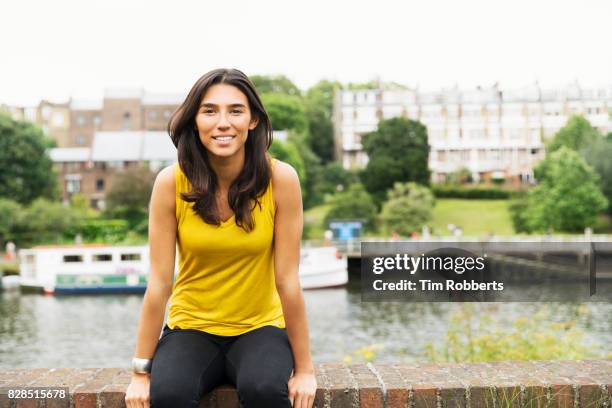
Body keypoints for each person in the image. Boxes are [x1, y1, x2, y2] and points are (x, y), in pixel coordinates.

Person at [125, 68, 316, 408]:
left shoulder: (281, 179)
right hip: (191, 328)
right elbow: (157, 283)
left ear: (253, 120)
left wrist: (305, 370)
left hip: (260, 329)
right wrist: (140, 373)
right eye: (210, 110)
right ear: (195, 121)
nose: (223, 122)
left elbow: (287, 280)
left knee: (264, 390)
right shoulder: (170, 183)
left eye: (236, 110)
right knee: (168, 395)